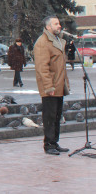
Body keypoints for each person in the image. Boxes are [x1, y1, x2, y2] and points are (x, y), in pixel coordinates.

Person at [34, 16, 70, 155]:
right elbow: (42, 67)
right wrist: (49, 87)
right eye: (56, 24)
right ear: (48, 27)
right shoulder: (43, 42)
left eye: (59, 23)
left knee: (56, 115)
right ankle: (48, 145)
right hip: (50, 87)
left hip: (59, 85)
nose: (59, 26)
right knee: (49, 116)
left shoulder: (57, 40)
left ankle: (54, 142)